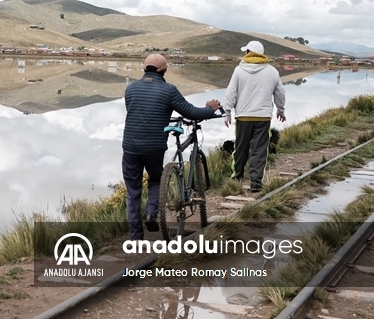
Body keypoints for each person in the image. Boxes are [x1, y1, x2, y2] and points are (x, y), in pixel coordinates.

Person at [122, 53, 221, 239]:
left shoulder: (131, 88)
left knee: (133, 190)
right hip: (154, 147)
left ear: (144, 69)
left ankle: (135, 236)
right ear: (164, 70)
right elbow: (192, 112)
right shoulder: (168, 90)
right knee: (155, 180)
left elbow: (137, 111)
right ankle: (151, 213)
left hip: (130, 147)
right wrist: (211, 108)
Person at [222, 40, 286, 193]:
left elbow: (231, 92)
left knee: (240, 148)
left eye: (246, 51)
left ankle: (236, 178)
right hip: (263, 117)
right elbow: (280, 93)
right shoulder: (272, 71)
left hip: (243, 116)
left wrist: (227, 112)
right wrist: (281, 110)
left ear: (248, 53)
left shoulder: (239, 70)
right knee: (259, 150)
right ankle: (256, 183)